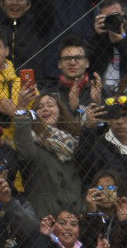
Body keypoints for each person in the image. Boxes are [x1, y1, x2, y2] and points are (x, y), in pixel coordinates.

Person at [13, 91, 83, 219]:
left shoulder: (74, 141)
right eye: (39, 107)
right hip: (43, 215)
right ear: (34, 115)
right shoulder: (30, 138)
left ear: (60, 111)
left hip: (73, 214)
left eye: (50, 105)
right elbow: (24, 153)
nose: (45, 109)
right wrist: (21, 110)